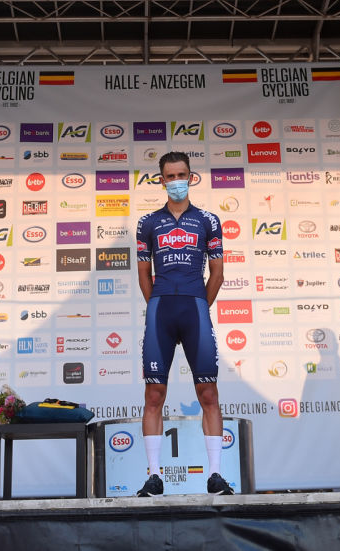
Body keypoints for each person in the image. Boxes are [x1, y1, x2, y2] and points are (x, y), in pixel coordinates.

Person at [134, 151, 232, 496]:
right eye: (170, 176)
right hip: (161, 308)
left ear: (191, 177)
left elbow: (217, 274)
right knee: (153, 394)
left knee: (209, 393)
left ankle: (216, 475)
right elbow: (143, 274)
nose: (176, 181)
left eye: (182, 175)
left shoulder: (208, 220)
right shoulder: (148, 223)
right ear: (161, 180)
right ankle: (154, 476)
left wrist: (199, 306)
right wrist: (158, 307)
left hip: (194, 309)